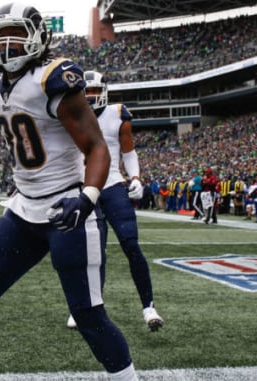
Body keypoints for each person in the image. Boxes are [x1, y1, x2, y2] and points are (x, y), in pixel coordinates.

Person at [0, 3, 137, 381]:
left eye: (18, 34)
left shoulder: (53, 77)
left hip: (66, 206)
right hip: (24, 210)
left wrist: (88, 197)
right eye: (1, 36)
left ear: (38, 37)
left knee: (88, 312)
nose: (8, 44)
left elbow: (96, 147)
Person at [65, 70, 163, 331]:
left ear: (104, 91)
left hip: (112, 186)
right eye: (89, 92)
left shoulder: (118, 114)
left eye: (97, 91)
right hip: (86, 190)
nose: (93, 97)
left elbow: (128, 150)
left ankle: (149, 307)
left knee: (131, 245)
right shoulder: (70, 114)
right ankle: (84, 307)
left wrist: (136, 177)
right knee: (92, 254)